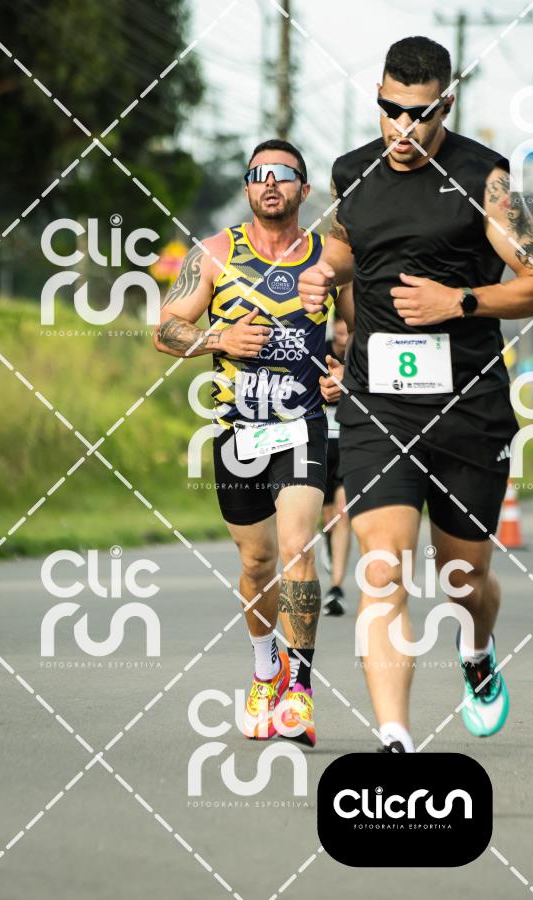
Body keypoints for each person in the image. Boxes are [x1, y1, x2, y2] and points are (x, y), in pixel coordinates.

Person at [298, 36, 533, 752]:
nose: (402, 128)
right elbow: (350, 245)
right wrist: (324, 272)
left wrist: (459, 302)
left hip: (468, 406)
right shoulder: (352, 171)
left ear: (447, 105)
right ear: (379, 100)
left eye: (419, 114)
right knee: (382, 569)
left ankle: (476, 650)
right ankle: (396, 740)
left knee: (464, 577)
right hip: (377, 404)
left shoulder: (483, 177)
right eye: (391, 111)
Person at [155, 139, 349, 748]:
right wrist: (219, 339)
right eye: (259, 174)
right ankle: (266, 668)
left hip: (303, 424)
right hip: (238, 430)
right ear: (247, 187)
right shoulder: (215, 253)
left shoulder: (329, 258)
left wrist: (345, 371)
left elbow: (356, 330)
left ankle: (301, 691)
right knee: (257, 563)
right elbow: (166, 329)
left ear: (303, 190)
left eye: (284, 174)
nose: (270, 183)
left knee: (298, 549)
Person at [320, 310, 352, 615]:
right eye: (338, 334)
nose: (343, 339)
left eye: (347, 333)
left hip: (349, 441)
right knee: (328, 515)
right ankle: (328, 545)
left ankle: (336, 588)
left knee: (343, 512)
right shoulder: (321, 350)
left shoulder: (361, 354)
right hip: (319, 441)